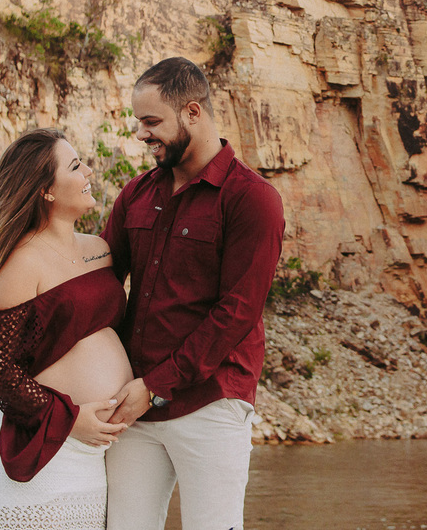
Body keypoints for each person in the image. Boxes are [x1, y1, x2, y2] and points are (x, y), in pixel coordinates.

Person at [103, 57, 285, 530]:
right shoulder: (136, 194)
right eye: (139, 123)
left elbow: (237, 313)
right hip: (134, 407)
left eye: (151, 122)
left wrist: (155, 387)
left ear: (191, 113)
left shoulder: (253, 198)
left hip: (212, 403)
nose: (141, 134)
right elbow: (101, 287)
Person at [0, 128, 131, 530]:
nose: (89, 171)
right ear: (46, 191)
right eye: (75, 166)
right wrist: (71, 419)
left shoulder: (99, 249)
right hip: (44, 442)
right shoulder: (22, 262)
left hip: (91, 454)